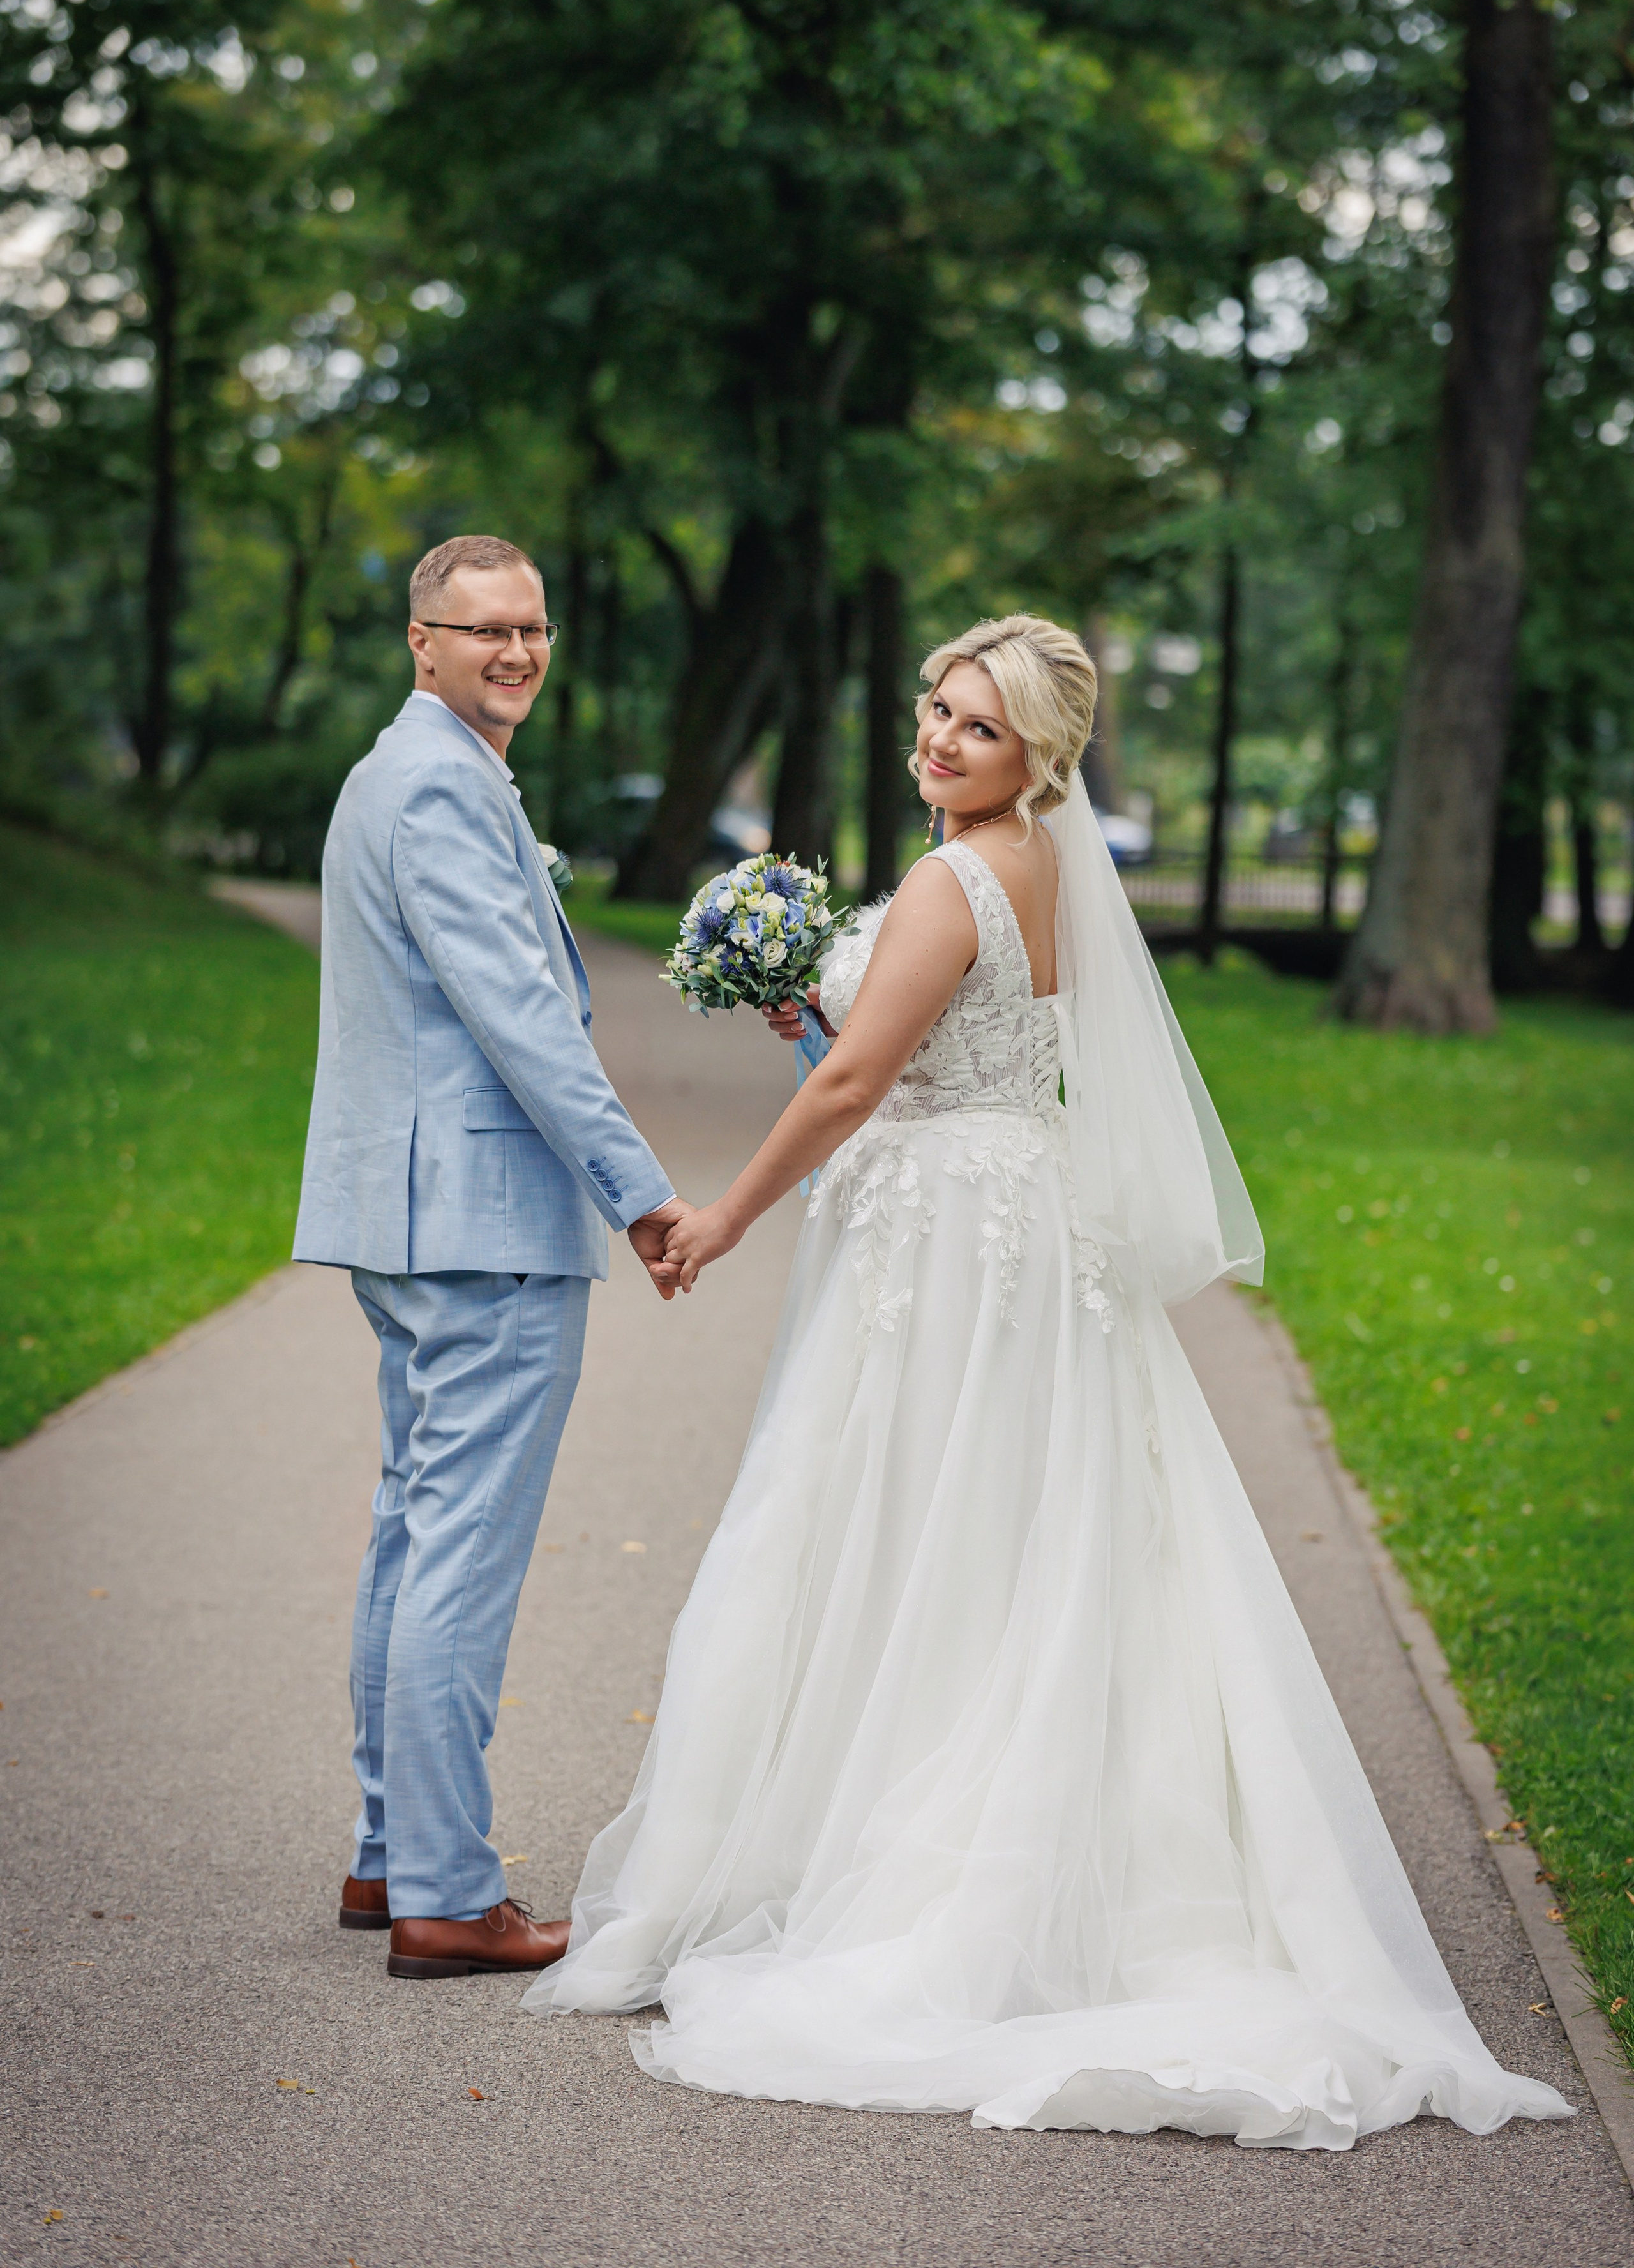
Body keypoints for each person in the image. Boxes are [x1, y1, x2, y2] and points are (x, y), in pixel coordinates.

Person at [524, 614, 1570, 2149]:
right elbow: (930, 1042)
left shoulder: (956, 875)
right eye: (936, 713)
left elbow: (860, 1081)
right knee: (1003, 1519)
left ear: (1037, 756)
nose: (941, 743)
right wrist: (812, 1003)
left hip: (948, 1235)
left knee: (900, 1517)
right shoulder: (1047, 867)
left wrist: (725, 1214)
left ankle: (909, 1859)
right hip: (1010, 1214)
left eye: (978, 730)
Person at [293, 534, 689, 1981]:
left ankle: (391, 1851)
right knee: (457, 1546)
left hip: (409, 1217)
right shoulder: (439, 788)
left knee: (415, 1527)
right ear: (421, 640)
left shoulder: (406, 774)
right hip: (479, 1224)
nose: (513, 653)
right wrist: (640, 1194)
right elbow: (525, 1019)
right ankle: (448, 1895)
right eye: (481, 632)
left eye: (530, 627)